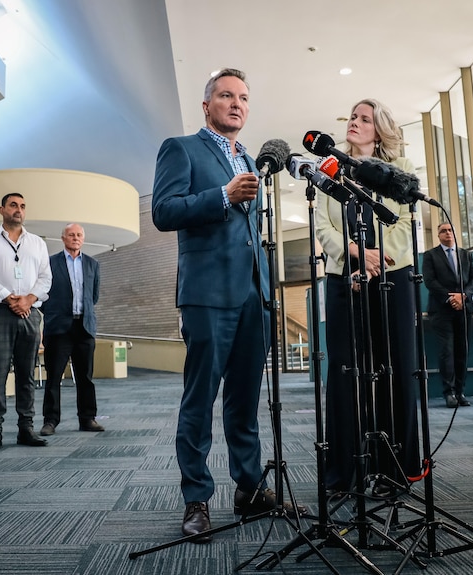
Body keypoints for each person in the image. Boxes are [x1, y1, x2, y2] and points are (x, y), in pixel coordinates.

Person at [152, 68, 302, 542]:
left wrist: (268, 294)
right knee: (200, 398)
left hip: (252, 297)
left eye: (242, 97)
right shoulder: (181, 148)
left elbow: (251, 235)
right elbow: (164, 211)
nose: (236, 104)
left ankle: (250, 488)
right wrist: (221, 195)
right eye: (225, 96)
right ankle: (196, 498)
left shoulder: (254, 161)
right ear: (206, 105)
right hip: (207, 295)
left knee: (244, 399)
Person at [314, 98, 420, 494]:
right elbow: (324, 228)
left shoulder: (402, 170)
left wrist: (376, 260)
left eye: (364, 119)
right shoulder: (331, 170)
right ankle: (344, 472)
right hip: (344, 278)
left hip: (393, 277)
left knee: (395, 370)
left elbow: (405, 224)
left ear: (380, 129)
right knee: (345, 374)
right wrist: (357, 255)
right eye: (352, 117)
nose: (354, 123)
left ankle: (395, 471)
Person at [0, 193, 52, 451]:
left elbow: (45, 279)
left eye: (22, 206)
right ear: (2, 209)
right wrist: (10, 298)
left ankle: (25, 428)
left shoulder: (37, 243)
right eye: (13, 205)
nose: (18, 210)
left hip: (30, 313)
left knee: (26, 373)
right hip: (0, 313)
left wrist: (28, 300)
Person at [40, 223, 103, 437]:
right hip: (58, 328)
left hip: (84, 327)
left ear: (83, 239)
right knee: (54, 378)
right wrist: (53, 314)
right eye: (71, 235)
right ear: (63, 238)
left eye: (79, 235)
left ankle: (87, 419)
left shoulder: (93, 264)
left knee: (85, 377)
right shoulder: (49, 263)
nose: (75, 238)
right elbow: (41, 295)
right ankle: (50, 421)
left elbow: (93, 296)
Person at [423, 222, 473, 408]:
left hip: (464, 309)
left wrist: (463, 296)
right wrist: (450, 298)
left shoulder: (466, 254)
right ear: (438, 235)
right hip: (441, 310)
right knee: (446, 351)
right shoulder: (431, 255)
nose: (447, 233)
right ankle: (448, 393)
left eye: (450, 230)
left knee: (462, 350)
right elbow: (430, 281)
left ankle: (460, 391)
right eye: (443, 231)